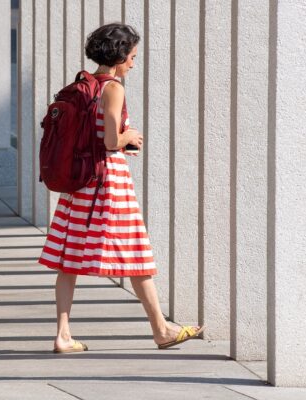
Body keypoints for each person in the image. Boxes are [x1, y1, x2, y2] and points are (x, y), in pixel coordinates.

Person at [38, 23, 205, 353]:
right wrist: (130, 137)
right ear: (118, 56)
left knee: (68, 259)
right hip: (108, 182)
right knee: (136, 254)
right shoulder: (113, 88)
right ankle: (161, 330)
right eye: (132, 57)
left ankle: (63, 334)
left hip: (80, 183)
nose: (132, 63)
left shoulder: (81, 84)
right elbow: (111, 140)